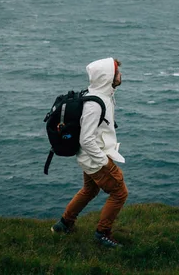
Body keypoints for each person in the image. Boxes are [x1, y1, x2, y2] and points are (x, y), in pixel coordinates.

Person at [51, 57, 128, 248]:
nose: (120, 75)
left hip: (89, 157)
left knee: (90, 190)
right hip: (95, 158)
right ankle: (102, 234)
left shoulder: (101, 94)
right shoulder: (95, 103)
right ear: (108, 77)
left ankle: (64, 224)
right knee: (119, 192)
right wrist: (103, 161)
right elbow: (86, 139)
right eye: (117, 72)